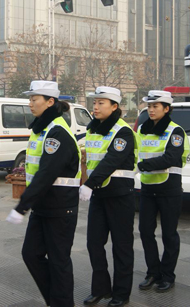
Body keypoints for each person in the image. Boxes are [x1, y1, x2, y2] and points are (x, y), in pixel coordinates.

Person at [6, 80, 81, 307]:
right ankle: (56, 300)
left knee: (59, 262)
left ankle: (61, 302)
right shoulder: (43, 130)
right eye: (30, 99)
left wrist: (22, 205)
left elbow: (46, 173)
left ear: (50, 102)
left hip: (60, 208)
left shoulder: (57, 133)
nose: (30, 104)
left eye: (34, 99)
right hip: (43, 206)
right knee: (31, 254)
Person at [79, 86, 137, 307]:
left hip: (119, 195)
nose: (95, 107)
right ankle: (101, 289)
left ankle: (121, 294)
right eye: (94, 102)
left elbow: (111, 160)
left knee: (121, 246)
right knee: (94, 243)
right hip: (99, 195)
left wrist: (89, 184)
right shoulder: (93, 129)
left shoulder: (123, 132)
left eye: (101, 103)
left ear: (114, 107)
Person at [136, 90, 190, 293]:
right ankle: (153, 272)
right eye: (149, 106)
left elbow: (171, 158)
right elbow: (135, 152)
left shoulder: (175, 131)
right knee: (145, 232)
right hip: (148, 188)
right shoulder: (142, 129)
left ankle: (168, 276)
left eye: (155, 106)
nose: (150, 110)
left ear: (166, 109)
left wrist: (142, 166)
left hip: (169, 189)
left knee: (169, 234)